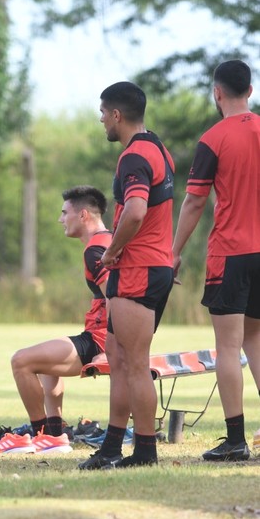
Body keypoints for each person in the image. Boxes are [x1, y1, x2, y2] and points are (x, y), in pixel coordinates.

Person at [79, 81, 174, 470]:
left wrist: (113, 251)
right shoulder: (159, 148)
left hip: (138, 267)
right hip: (147, 265)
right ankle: (111, 448)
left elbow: (135, 211)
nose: (101, 120)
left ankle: (146, 452)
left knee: (134, 362)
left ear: (117, 115)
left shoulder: (134, 156)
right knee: (117, 358)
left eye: (103, 113)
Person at [172, 60, 260, 462]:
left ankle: (236, 440)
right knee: (256, 339)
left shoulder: (213, 139)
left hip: (231, 253)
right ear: (251, 91)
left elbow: (193, 201)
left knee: (228, 347)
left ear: (217, 92)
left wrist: (173, 253)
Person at [0, 186, 111, 455]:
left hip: (101, 341)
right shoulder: (109, 240)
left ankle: (40, 434)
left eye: (64, 213)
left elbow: (116, 298)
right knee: (45, 362)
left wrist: (110, 349)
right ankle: (55, 434)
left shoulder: (95, 250)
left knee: (21, 361)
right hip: (101, 336)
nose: (60, 219)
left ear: (82, 215)